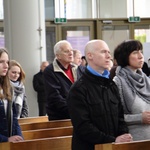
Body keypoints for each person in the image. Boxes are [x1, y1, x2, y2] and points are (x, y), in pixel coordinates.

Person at [67, 39, 132, 150]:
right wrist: (111, 140)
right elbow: (83, 126)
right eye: (103, 52)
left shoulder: (110, 84)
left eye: (108, 52)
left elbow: (120, 116)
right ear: (90, 55)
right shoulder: (78, 89)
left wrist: (122, 135)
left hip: (113, 146)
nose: (109, 56)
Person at [113, 39, 150, 141]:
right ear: (125, 57)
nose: (141, 56)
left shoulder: (147, 80)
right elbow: (114, 116)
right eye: (135, 52)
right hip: (134, 141)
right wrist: (139, 118)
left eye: (141, 52)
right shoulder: (118, 82)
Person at [44, 40, 85, 120]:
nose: (70, 53)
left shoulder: (78, 69)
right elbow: (54, 96)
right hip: (60, 117)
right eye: (66, 51)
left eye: (71, 51)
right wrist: (74, 110)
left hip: (80, 115)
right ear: (58, 56)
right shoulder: (50, 71)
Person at [0, 48, 23, 142]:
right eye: (1, 62)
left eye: (7, 62)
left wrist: (19, 136)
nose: (6, 66)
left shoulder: (7, 87)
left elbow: (14, 117)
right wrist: (6, 139)